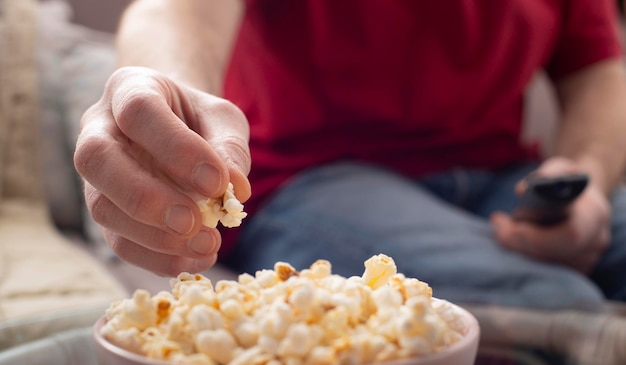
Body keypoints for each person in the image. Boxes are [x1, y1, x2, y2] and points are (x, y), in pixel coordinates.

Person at [75, 0, 626, 312]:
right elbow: (183, 11)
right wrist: (166, 97)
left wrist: (587, 174)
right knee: (555, 307)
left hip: (507, 177)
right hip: (311, 175)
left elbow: (599, 66)